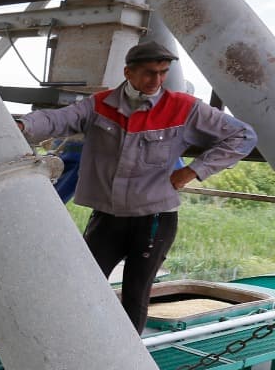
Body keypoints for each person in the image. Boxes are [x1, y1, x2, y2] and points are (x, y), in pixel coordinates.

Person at [18, 40, 256, 333]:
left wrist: (194, 171)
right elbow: (57, 119)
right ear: (128, 72)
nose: (156, 80)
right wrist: (22, 125)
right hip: (107, 217)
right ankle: (78, 342)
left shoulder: (184, 108)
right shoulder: (100, 105)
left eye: (163, 72)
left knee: (135, 292)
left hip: (154, 219)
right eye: (148, 73)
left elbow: (243, 137)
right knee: (83, 283)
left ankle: (126, 358)